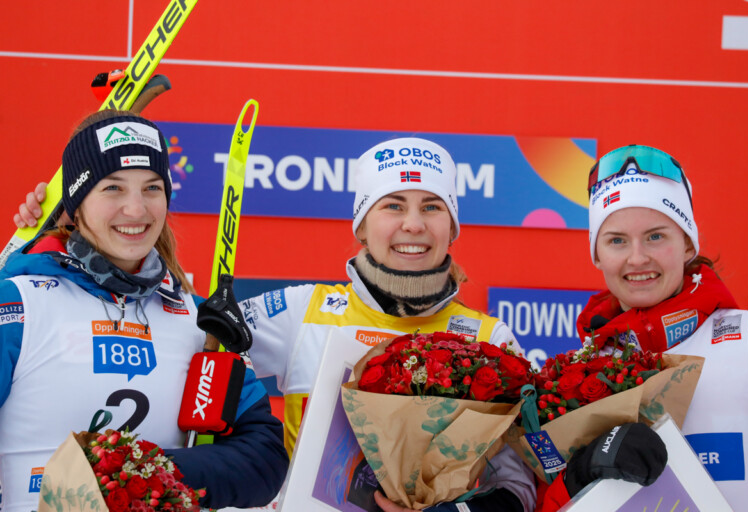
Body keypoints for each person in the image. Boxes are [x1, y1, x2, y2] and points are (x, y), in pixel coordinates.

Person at [15, 137, 538, 512]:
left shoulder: (492, 339)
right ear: (361, 223)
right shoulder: (302, 309)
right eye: (392, 205)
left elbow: (522, 481)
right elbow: (173, 335)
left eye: (432, 206)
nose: (413, 224)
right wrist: (43, 236)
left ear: (453, 225)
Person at [0, 110, 288, 512]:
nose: (136, 210)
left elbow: (263, 458)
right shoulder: (17, 305)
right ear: (77, 204)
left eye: (152, 188)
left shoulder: (197, 319)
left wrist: (146, 475)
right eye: (113, 188)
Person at [540, 144, 748, 511]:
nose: (637, 257)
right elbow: (546, 503)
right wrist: (579, 475)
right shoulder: (576, 377)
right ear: (597, 254)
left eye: (656, 236)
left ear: (688, 243)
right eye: (616, 240)